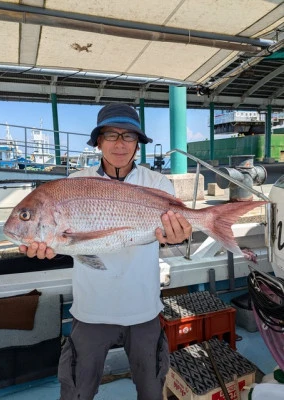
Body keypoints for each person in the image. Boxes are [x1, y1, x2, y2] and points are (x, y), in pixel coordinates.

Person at [20, 103, 192, 400]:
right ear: (98, 141)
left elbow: (168, 235)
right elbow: (74, 244)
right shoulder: (75, 184)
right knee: (77, 392)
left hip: (145, 309)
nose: (119, 143)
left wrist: (178, 237)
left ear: (138, 143)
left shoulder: (156, 183)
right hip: (91, 311)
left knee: (152, 390)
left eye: (128, 136)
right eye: (111, 135)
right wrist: (49, 248)